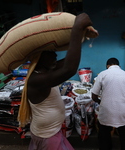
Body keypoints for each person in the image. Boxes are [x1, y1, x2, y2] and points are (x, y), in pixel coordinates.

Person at [17, 13, 98, 150]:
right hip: (47, 136)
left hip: (51, 132)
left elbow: (69, 61)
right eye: (50, 52)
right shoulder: (36, 80)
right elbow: (69, 69)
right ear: (39, 57)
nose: (55, 55)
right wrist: (77, 28)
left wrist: (81, 36)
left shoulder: (45, 71)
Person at [91, 58, 125, 150]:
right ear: (119, 66)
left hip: (106, 112)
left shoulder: (102, 74)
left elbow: (94, 96)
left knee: (104, 137)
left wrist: (100, 102)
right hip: (123, 112)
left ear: (107, 66)